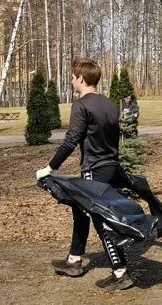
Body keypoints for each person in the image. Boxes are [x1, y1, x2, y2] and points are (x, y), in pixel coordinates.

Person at [34, 58, 134, 291]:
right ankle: (74, 260)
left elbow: (71, 140)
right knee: (81, 211)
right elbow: (116, 139)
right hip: (110, 168)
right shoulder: (110, 104)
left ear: (81, 78)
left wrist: (50, 168)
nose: (71, 80)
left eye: (72, 77)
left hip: (94, 169)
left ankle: (121, 272)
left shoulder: (81, 105)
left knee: (101, 219)